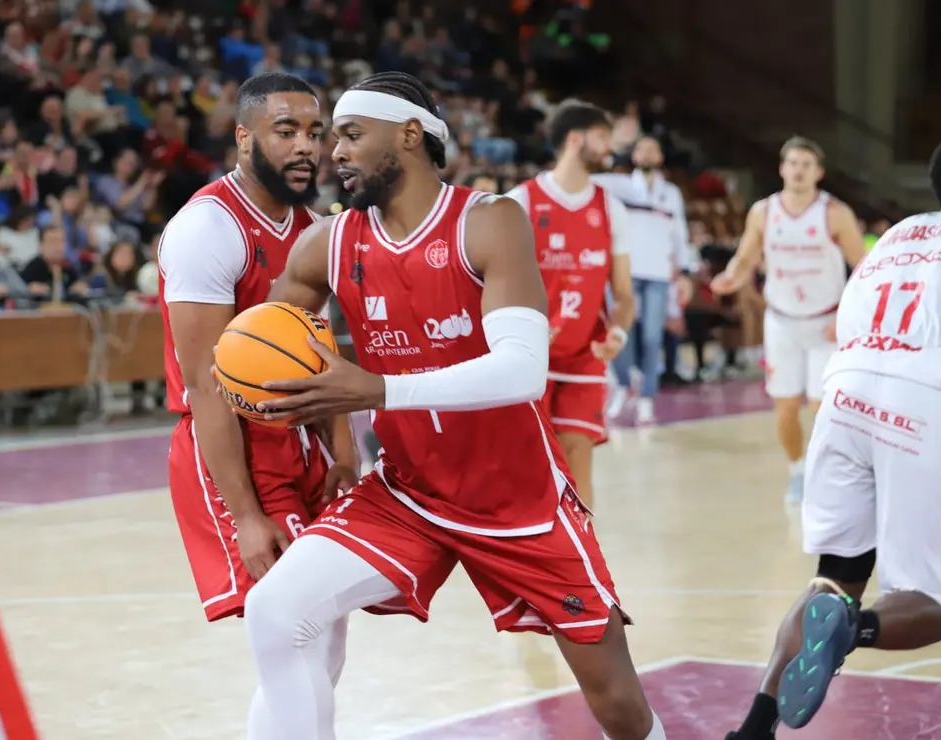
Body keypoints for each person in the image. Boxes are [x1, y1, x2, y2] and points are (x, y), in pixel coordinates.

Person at [244, 72, 665, 740]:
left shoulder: (488, 221)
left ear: (409, 135)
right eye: (332, 139)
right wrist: (268, 393)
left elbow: (523, 371)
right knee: (276, 612)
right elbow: (263, 347)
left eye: (352, 135)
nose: (335, 153)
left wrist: (381, 389)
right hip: (408, 492)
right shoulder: (327, 244)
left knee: (617, 705)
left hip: (519, 503)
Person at [724, 133, 941, 740]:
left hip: (845, 392)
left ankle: (753, 729)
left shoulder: (891, 237)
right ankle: (852, 630)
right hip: (920, 399)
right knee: (931, 607)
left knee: (832, 579)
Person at [156, 72, 357, 691]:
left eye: (315, 133)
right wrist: (244, 513)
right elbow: (205, 385)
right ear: (244, 138)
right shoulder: (208, 228)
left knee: (326, 640)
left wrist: (345, 453)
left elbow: (318, 353)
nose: (306, 147)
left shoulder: (313, 229)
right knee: (296, 635)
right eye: (286, 131)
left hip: (303, 440)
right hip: (237, 446)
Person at [711, 137, 866, 502]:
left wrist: (846, 315)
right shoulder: (763, 212)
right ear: (782, 168)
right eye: (793, 163)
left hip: (825, 321)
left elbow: (863, 269)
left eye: (806, 164)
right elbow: (746, 258)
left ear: (819, 172)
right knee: (785, 409)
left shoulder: (834, 213)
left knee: (821, 407)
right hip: (781, 321)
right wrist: (731, 276)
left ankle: (833, 472)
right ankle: (798, 471)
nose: (798, 170)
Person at [503, 99, 634, 509]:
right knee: (530, 461)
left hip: (584, 353)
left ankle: (581, 555)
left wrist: (618, 331)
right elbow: (494, 283)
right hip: (529, 354)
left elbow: (625, 294)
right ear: (575, 139)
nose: (608, 148)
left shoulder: (610, 208)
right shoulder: (520, 202)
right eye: (601, 138)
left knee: (578, 449)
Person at [595, 135, 693, 423]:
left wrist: (685, 272)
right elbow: (585, 178)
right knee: (618, 334)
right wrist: (609, 152)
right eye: (642, 149)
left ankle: (647, 396)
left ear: (661, 157)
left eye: (653, 149)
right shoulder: (618, 186)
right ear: (633, 156)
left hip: (659, 274)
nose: (648, 153)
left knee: (652, 337)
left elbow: (681, 234)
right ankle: (624, 387)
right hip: (624, 272)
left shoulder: (671, 193)